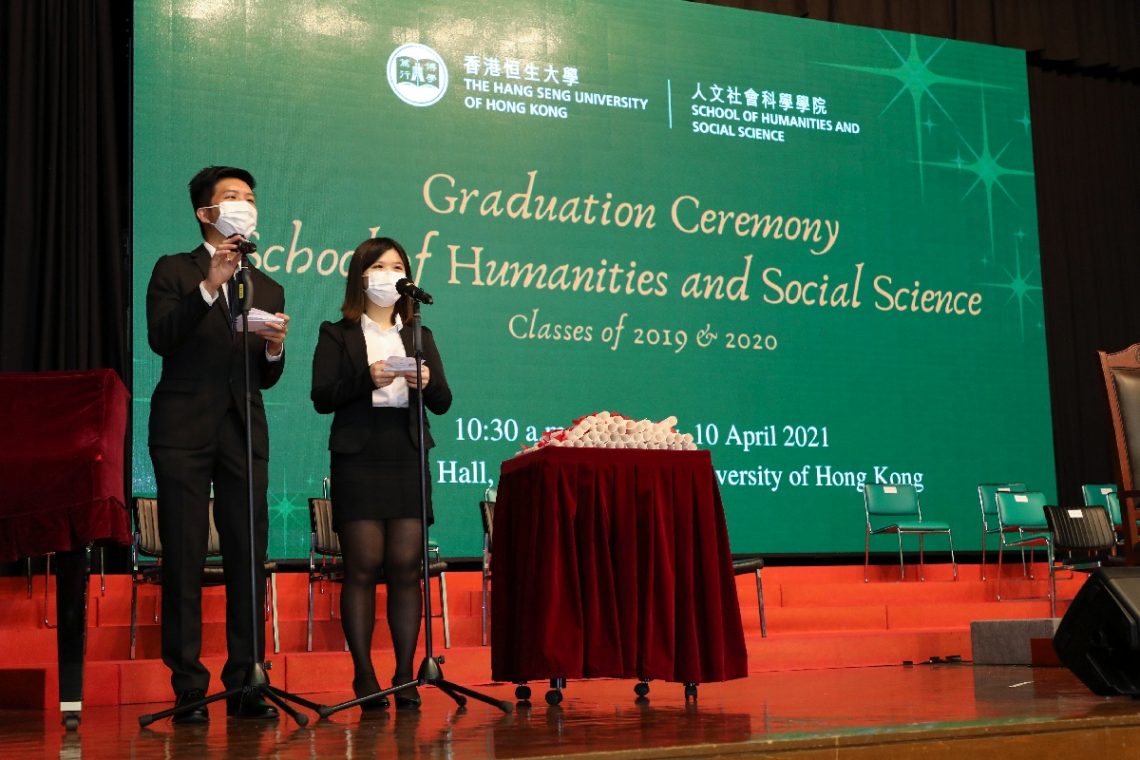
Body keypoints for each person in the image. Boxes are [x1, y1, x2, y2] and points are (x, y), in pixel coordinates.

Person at [146, 166, 290, 723]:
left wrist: (275, 349)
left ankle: (247, 678)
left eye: (250, 198)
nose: (244, 206)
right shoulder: (174, 270)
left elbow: (265, 375)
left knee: (246, 556)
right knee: (183, 556)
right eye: (233, 198)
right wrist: (210, 284)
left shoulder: (267, 284)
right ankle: (188, 686)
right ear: (206, 213)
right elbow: (162, 337)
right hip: (182, 429)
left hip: (243, 430)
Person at [310, 237, 452, 710]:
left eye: (398, 266)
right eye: (379, 265)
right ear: (360, 276)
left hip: (406, 454)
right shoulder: (337, 333)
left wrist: (428, 382)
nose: (389, 274)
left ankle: (405, 675)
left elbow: (444, 402)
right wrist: (365, 379)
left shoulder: (419, 334)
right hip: (358, 454)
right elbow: (321, 396)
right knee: (364, 568)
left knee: (406, 570)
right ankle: (365, 677)